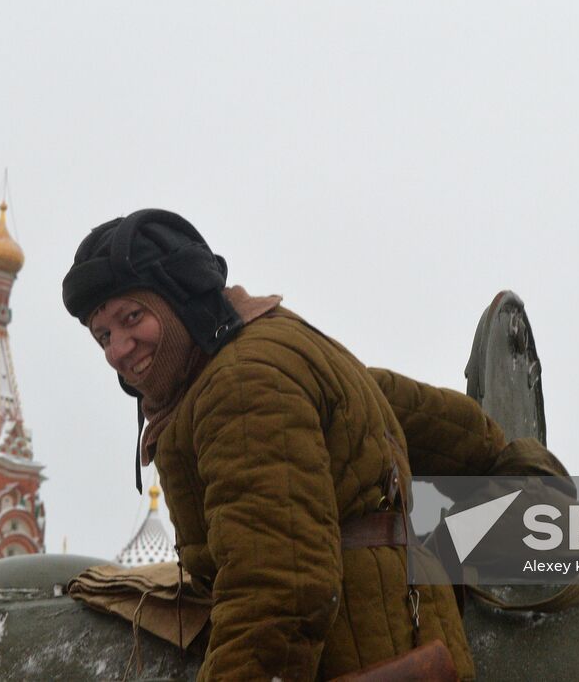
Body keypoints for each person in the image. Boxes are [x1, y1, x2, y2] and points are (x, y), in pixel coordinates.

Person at [62, 208, 553, 681]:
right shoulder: (277, 346)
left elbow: (279, 590)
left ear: (181, 298)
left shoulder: (241, 385)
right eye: (102, 334)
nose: (117, 350)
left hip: (359, 660)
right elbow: (447, 425)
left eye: (132, 318)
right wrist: (518, 462)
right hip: (406, 642)